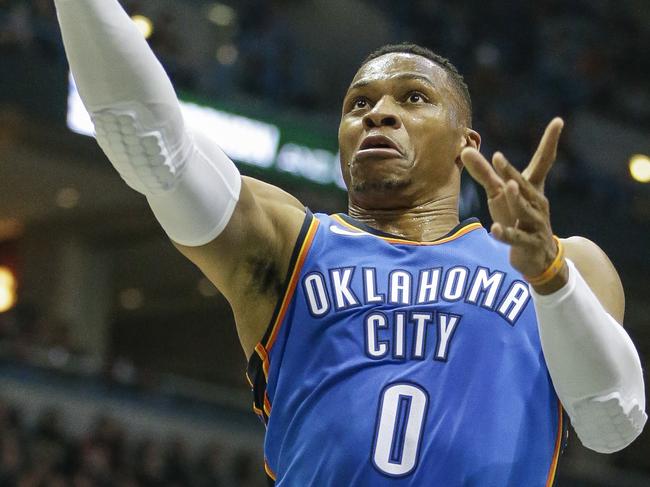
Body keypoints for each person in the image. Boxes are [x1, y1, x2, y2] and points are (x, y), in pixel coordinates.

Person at [53, 1, 646, 485]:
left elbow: (613, 424)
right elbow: (152, 145)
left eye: (412, 98)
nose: (378, 114)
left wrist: (549, 276)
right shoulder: (290, 245)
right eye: (358, 104)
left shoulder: (567, 264)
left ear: (467, 143)